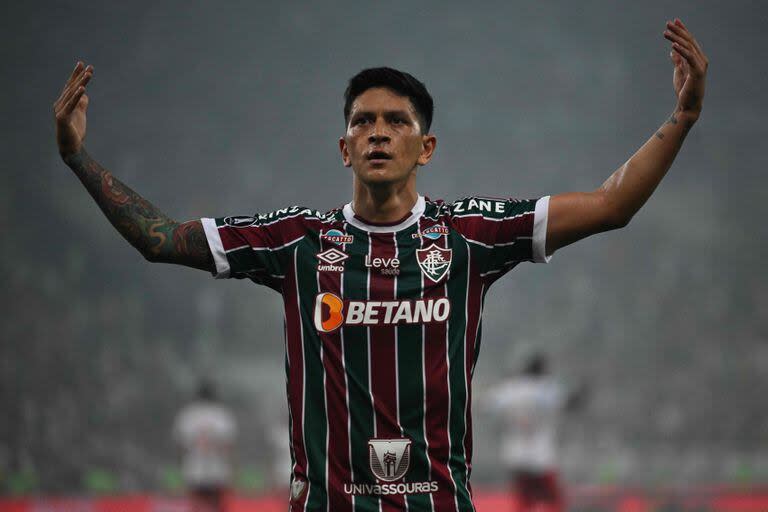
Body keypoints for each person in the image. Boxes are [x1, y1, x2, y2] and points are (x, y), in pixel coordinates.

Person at [52, 19, 707, 512]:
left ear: (426, 146)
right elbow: (160, 238)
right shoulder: (297, 242)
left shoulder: (469, 234)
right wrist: (79, 158)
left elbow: (611, 204)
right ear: (344, 147)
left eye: (396, 121)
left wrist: (681, 118)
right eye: (364, 121)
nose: (378, 132)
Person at [484, 354, 588, 512]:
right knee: (555, 501)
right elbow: (569, 402)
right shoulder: (545, 388)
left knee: (523, 503)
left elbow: (486, 405)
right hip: (541, 456)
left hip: (515, 454)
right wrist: (583, 390)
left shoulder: (509, 389)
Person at [172, 379, 238, 512]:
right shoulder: (222, 414)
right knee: (216, 505)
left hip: (194, 467)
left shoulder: (188, 414)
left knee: (197, 505)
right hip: (217, 468)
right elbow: (229, 445)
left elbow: (180, 445)